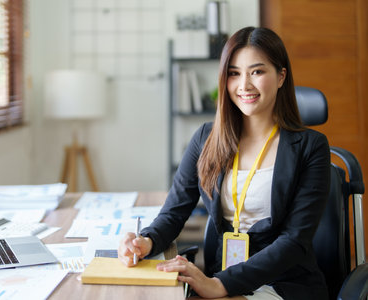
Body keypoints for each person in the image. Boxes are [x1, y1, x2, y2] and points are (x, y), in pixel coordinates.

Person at [118, 26, 330, 300]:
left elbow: (294, 241)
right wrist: (145, 241)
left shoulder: (311, 147)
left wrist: (220, 285)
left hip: (283, 283)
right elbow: (174, 212)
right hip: (222, 278)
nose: (244, 85)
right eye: (234, 73)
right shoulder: (207, 138)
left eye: (257, 71)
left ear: (280, 76)